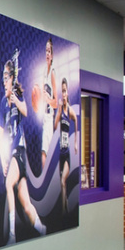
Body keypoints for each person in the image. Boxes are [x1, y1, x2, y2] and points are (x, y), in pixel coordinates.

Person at [2, 53, 46, 245]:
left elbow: (26, 111)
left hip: (19, 152)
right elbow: (0, 135)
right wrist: (2, 160)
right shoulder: (2, 104)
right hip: (11, 155)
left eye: (6, 77)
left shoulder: (17, 96)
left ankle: (12, 235)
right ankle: (42, 229)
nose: (3, 81)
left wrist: (15, 98)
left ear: (12, 78)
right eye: (2, 78)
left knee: (7, 185)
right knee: (27, 205)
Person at [55, 77, 78, 216]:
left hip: (67, 152)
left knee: (64, 181)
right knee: (61, 183)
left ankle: (64, 212)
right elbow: (55, 126)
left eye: (64, 91)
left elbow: (76, 121)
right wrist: (58, 110)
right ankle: (66, 204)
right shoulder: (60, 110)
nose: (63, 94)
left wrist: (75, 142)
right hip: (60, 152)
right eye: (61, 91)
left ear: (67, 93)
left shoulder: (69, 110)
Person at [36, 37, 58, 171]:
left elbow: (56, 103)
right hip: (43, 116)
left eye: (49, 51)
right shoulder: (44, 71)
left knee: (45, 152)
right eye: (46, 51)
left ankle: (46, 178)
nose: (47, 53)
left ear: (53, 54)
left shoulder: (52, 74)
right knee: (43, 151)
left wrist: (48, 99)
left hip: (49, 118)